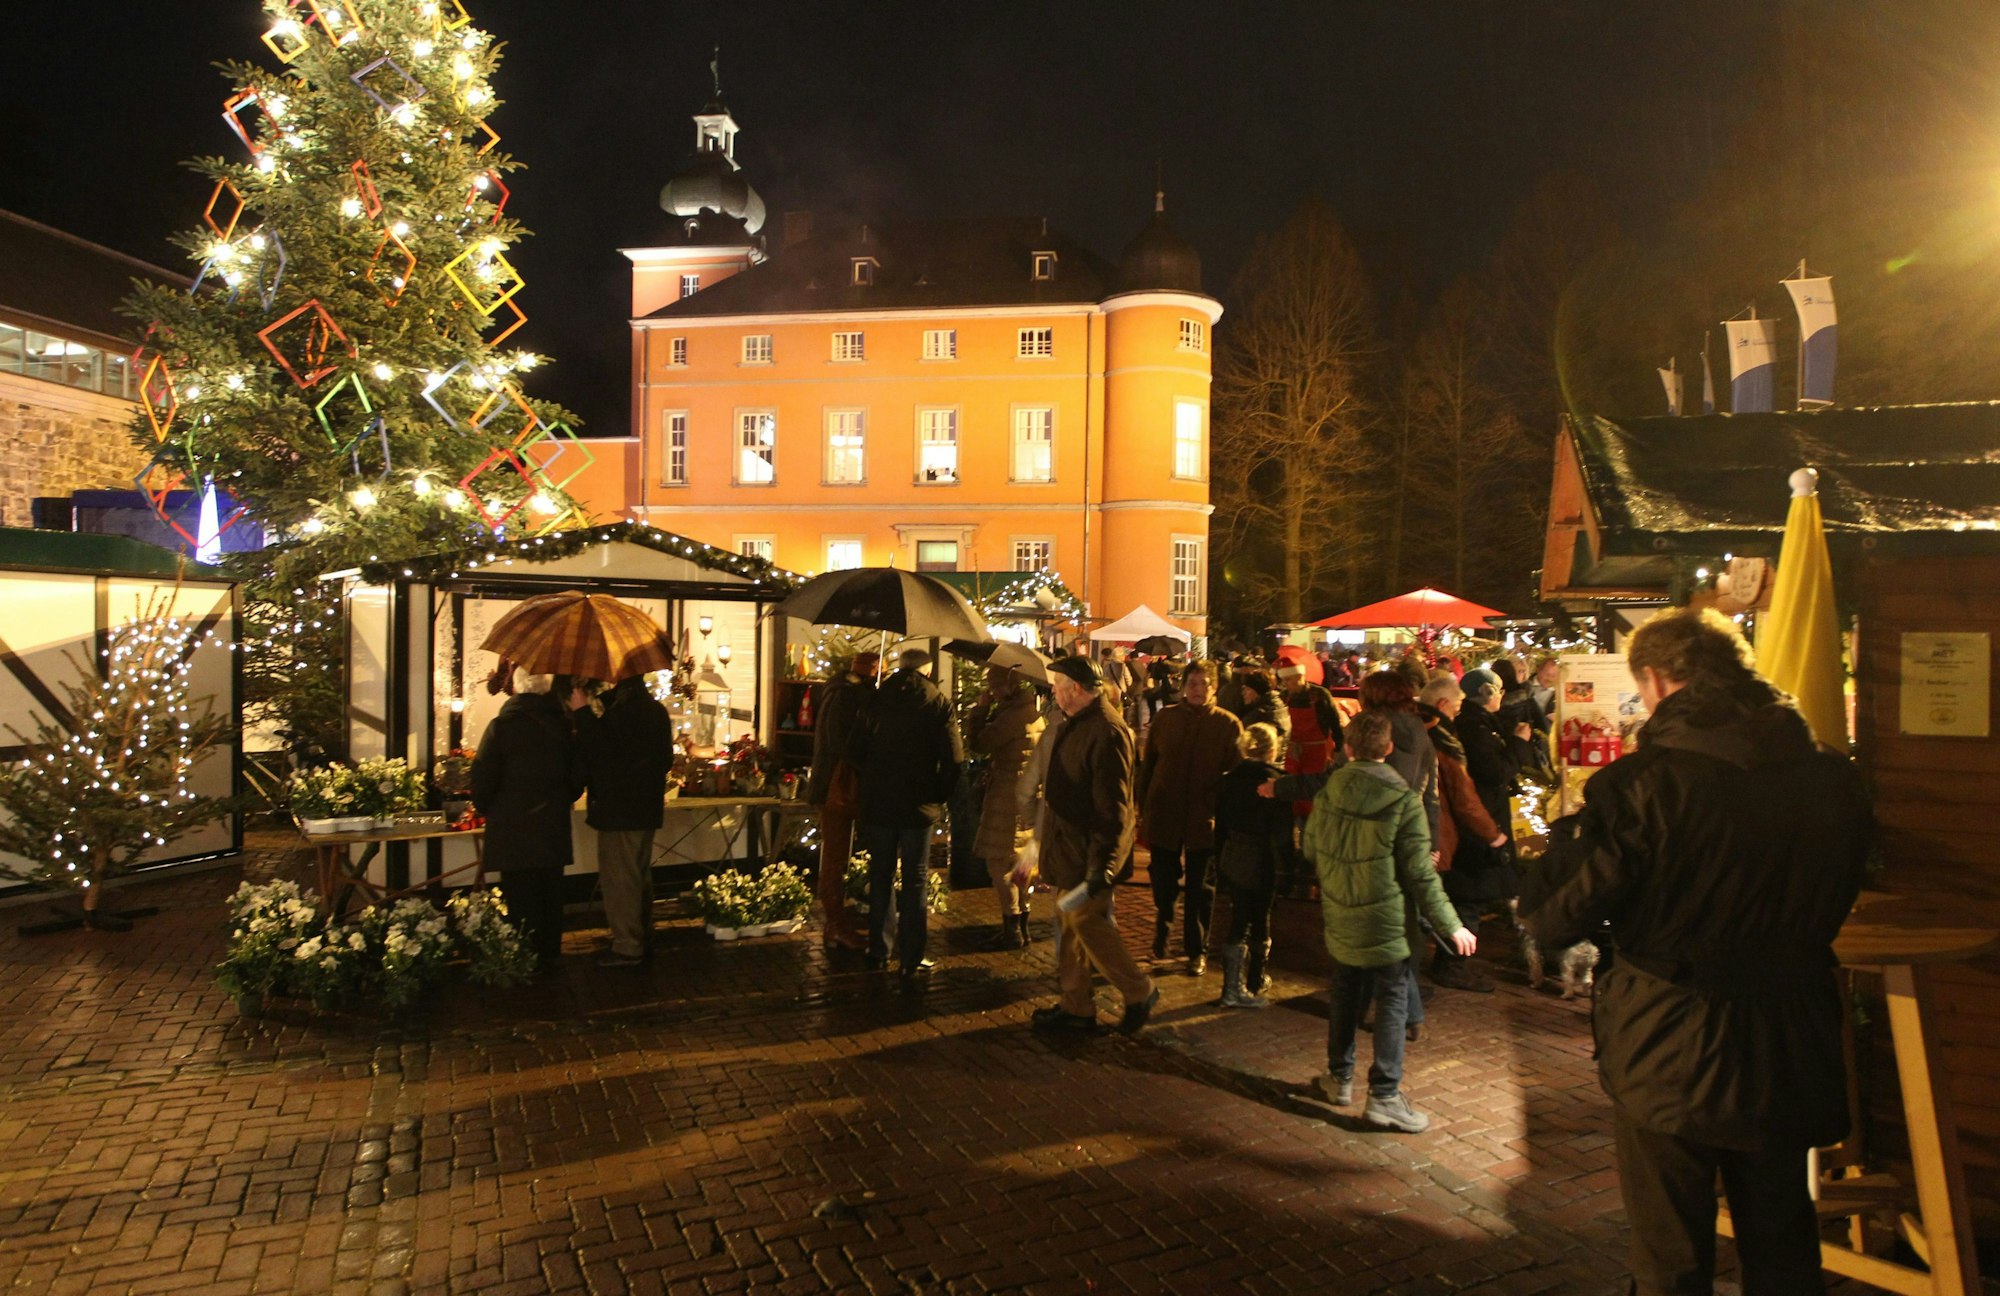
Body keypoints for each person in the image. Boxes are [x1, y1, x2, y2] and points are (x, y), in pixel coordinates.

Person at [1521, 608, 1871, 1296]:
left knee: (1672, 1254)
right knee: (1783, 1241)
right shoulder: (1833, 778)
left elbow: (1551, 919)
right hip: (1790, 1034)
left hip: (1670, 1037)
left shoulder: (1643, 787)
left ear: (1655, 681)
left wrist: (1567, 847)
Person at [1304, 710, 1474, 1132]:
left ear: (1346, 749)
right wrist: (1452, 924)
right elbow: (1419, 874)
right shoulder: (1402, 801)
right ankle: (1383, 1095)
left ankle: (1339, 1078)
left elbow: (1310, 848)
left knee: (1345, 994)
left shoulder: (1328, 794)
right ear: (1389, 748)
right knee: (1392, 1000)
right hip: (1388, 921)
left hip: (1342, 910)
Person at [1028, 656, 1160, 1036]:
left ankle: (1139, 990)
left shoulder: (1106, 731)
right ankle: (1076, 1005)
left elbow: (1113, 807)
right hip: (1073, 848)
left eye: (1058, 684)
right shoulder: (1082, 723)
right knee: (1069, 922)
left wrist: (1101, 864)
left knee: (1086, 920)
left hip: (1091, 853)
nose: (1053, 690)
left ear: (1077, 689)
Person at [846, 648, 963, 980]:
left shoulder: (875, 699)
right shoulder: (938, 703)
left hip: (879, 803)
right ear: (926, 671)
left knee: (880, 873)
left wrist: (872, 778)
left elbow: (854, 750)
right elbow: (954, 759)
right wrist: (937, 793)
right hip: (918, 805)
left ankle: (878, 949)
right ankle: (912, 956)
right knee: (915, 879)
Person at [1135, 663, 1244, 975]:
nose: (1198, 689)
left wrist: (1223, 810)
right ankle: (1162, 933)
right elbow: (1149, 765)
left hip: (1203, 818)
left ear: (1213, 688)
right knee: (1163, 879)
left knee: (1201, 889)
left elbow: (1236, 775)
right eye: (1193, 683)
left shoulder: (1227, 724)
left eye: (1204, 684)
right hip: (1165, 812)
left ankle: (1197, 949)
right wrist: (1144, 804)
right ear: (1183, 686)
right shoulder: (1166, 718)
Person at [470, 670, 582, 967]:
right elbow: (576, 777)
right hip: (552, 829)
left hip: (512, 831)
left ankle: (523, 958)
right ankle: (550, 957)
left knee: (520, 898)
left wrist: (490, 808)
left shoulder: (502, 726)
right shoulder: (562, 726)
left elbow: (482, 780)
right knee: (550, 896)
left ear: (516, 688)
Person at [571, 674, 673, 968]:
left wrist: (581, 713)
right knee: (638, 873)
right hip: (644, 807)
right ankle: (641, 936)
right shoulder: (655, 710)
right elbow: (664, 761)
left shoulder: (623, 712)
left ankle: (628, 945)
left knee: (620, 878)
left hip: (619, 808)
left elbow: (602, 755)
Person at [1438, 668, 1522, 992]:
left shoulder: (1477, 725)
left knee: (1471, 895)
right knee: (1470, 895)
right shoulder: (1475, 728)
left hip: (1481, 822)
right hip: (1480, 826)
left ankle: (1451, 960)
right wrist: (1518, 744)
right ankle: (1452, 964)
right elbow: (1493, 772)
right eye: (1498, 690)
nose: (1501, 696)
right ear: (1487, 692)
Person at [1212, 722, 1293, 1008]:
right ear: (1272, 750)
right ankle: (1252, 981)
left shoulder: (1229, 779)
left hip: (1233, 852)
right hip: (1262, 857)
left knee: (1239, 916)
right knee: (1258, 916)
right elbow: (1281, 833)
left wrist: (1218, 857)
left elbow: (1220, 823)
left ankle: (1233, 984)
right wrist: (1288, 869)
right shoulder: (1276, 783)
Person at [967, 663, 1044, 950]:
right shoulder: (1035, 714)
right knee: (1024, 861)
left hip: (1007, 794)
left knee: (999, 862)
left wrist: (980, 711)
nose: (991, 691)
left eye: (994, 686)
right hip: (1029, 794)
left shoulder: (1012, 717)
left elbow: (980, 743)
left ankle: (1012, 925)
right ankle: (1023, 922)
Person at [805, 651, 878, 952]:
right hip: (840, 787)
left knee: (836, 855)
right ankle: (835, 924)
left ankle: (836, 923)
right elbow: (843, 743)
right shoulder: (850, 696)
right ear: (872, 670)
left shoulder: (837, 690)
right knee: (836, 857)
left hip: (831, 784)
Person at [1235, 669, 1291, 752]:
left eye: (1247, 689)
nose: (1243, 693)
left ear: (1258, 691)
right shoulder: (1279, 705)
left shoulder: (1259, 715)